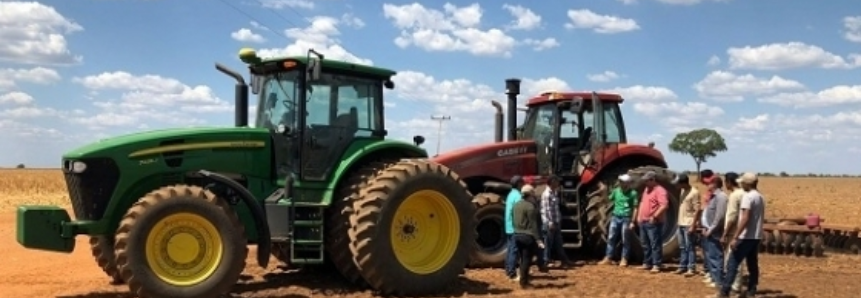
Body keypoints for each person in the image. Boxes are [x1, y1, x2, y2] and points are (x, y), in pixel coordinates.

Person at [715, 172, 766, 298]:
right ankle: (751, 290)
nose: (741, 184)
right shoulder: (760, 197)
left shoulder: (747, 197)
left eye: (742, 182)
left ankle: (725, 291)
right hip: (756, 236)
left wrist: (736, 236)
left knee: (732, 263)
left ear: (747, 183)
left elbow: (745, 218)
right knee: (752, 264)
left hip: (745, 236)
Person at [598, 173, 639, 267]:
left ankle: (624, 259)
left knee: (625, 239)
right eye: (620, 181)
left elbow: (635, 208)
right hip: (615, 217)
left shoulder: (633, 193)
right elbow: (608, 200)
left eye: (622, 182)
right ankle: (608, 257)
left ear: (627, 183)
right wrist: (604, 192)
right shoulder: (616, 191)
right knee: (611, 237)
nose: (620, 183)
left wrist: (633, 221)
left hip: (626, 218)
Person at [512, 184, 546, 289]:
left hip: (517, 234)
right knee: (527, 260)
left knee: (522, 259)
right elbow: (533, 225)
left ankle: (523, 280)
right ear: (530, 195)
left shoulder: (516, 205)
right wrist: (538, 240)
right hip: (527, 236)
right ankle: (524, 283)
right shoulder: (530, 207)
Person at [635, 171, 669, 273]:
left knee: (655, 244)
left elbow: (664, 205)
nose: (645, 183)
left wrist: (654, 216)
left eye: (646, 181)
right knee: (645, 243)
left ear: (652, 180)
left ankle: (656, 264)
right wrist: (639, 216)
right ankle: (647, 262)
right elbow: (642, 202)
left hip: (654, 222)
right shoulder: (647, 189)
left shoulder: (661, 191)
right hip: (643, 221)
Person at [540, 176, 573, 268]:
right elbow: (547, 210)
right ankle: (545, 261)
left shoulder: (554, 192)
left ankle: (564, 260)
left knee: (558, 242)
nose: (558, 183)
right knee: (548, 243)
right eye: (557, 182)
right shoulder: (547, 194)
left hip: (556, 222)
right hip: (550, 223)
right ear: (552, 182)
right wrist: (550, 222)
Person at [702, 177, 728, 289]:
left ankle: (718, 280)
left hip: (715, 232)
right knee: (710, 256)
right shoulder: (712, 196)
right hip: (708, 230)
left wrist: (711, 229)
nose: (707, 185)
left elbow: (719, 217)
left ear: (715, 184)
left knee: (716, 256)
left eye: (709, 183)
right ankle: (713, 277)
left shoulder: (721, 197)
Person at [722, 172, 745, 292]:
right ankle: (737, 284)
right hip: (743, 231)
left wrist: (725, 233)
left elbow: (732, 217)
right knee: (739, 260)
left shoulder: (734, 196)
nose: (725, 185)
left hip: (734, 232)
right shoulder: (745, 193)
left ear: (729, 182)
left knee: (732, 260)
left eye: (725, 182)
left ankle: (735, 286)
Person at [673, 174, 700, 276]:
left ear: (683, 183)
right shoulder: (683, 191)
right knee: (682, 246)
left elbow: (697, 210)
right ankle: (682, 266)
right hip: (681, 222)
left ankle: (691, 268)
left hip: (689, 223)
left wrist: (693, 225)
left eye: (678, 184)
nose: (676, 186)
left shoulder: (694, 193)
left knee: (690, 247)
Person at [505, 175, 525, 281]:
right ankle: (512, 273)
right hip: (514, 226)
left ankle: (508, 269)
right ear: (518, 184)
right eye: (522, 183)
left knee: (509, 249)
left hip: (508, 226)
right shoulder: (518, 195)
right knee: (514, 249)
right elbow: (519, 211)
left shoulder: (510, 194)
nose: (523, 184)